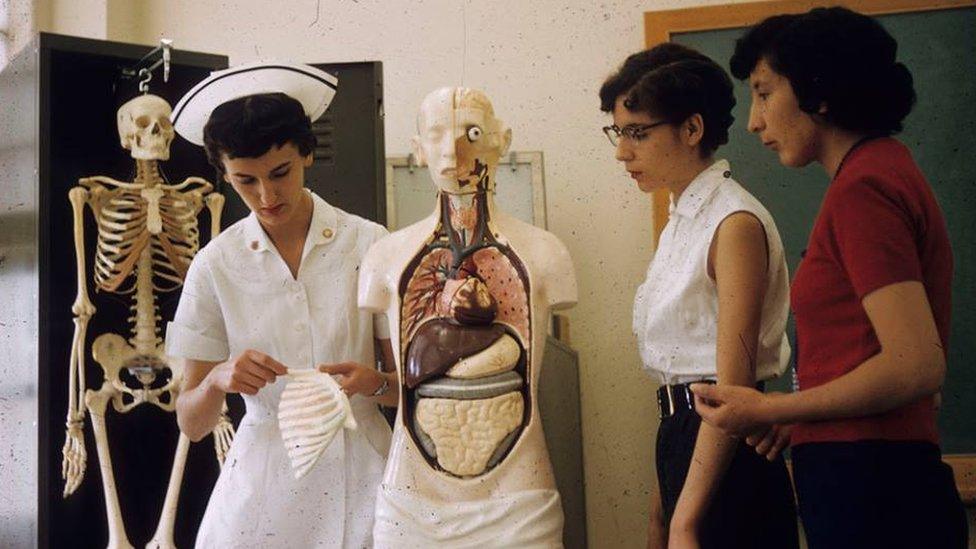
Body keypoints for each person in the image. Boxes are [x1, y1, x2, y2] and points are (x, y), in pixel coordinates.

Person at [691, 8, 967, 548]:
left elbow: (917, 365)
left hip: (873, 489)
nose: (753, 121)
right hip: (872, 478)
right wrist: (802, 419)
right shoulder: (881, 171)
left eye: (765, 93)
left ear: (819, 90)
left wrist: (775, 406)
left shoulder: (865, 188)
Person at [166, 62, 397, 548]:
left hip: (365, 472)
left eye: (280, 173)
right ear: (225, 175)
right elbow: (192, 421)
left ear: (307, 154)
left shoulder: (369, 244)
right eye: (245, 181)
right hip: (264, 484)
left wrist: (374, 382)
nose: (266, 196)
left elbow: (409, 391)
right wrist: (217, 379)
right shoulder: (215, 265)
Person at [599, 43, 798, 548]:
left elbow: (727, 387)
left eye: (637, 133)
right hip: (685, 440)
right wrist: (660, 513)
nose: (623, 151)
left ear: (691, 129)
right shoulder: (681, 221)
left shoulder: (731, 222)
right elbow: (676, 386)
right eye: (618, 133)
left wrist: (685, 520)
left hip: (725, 452)